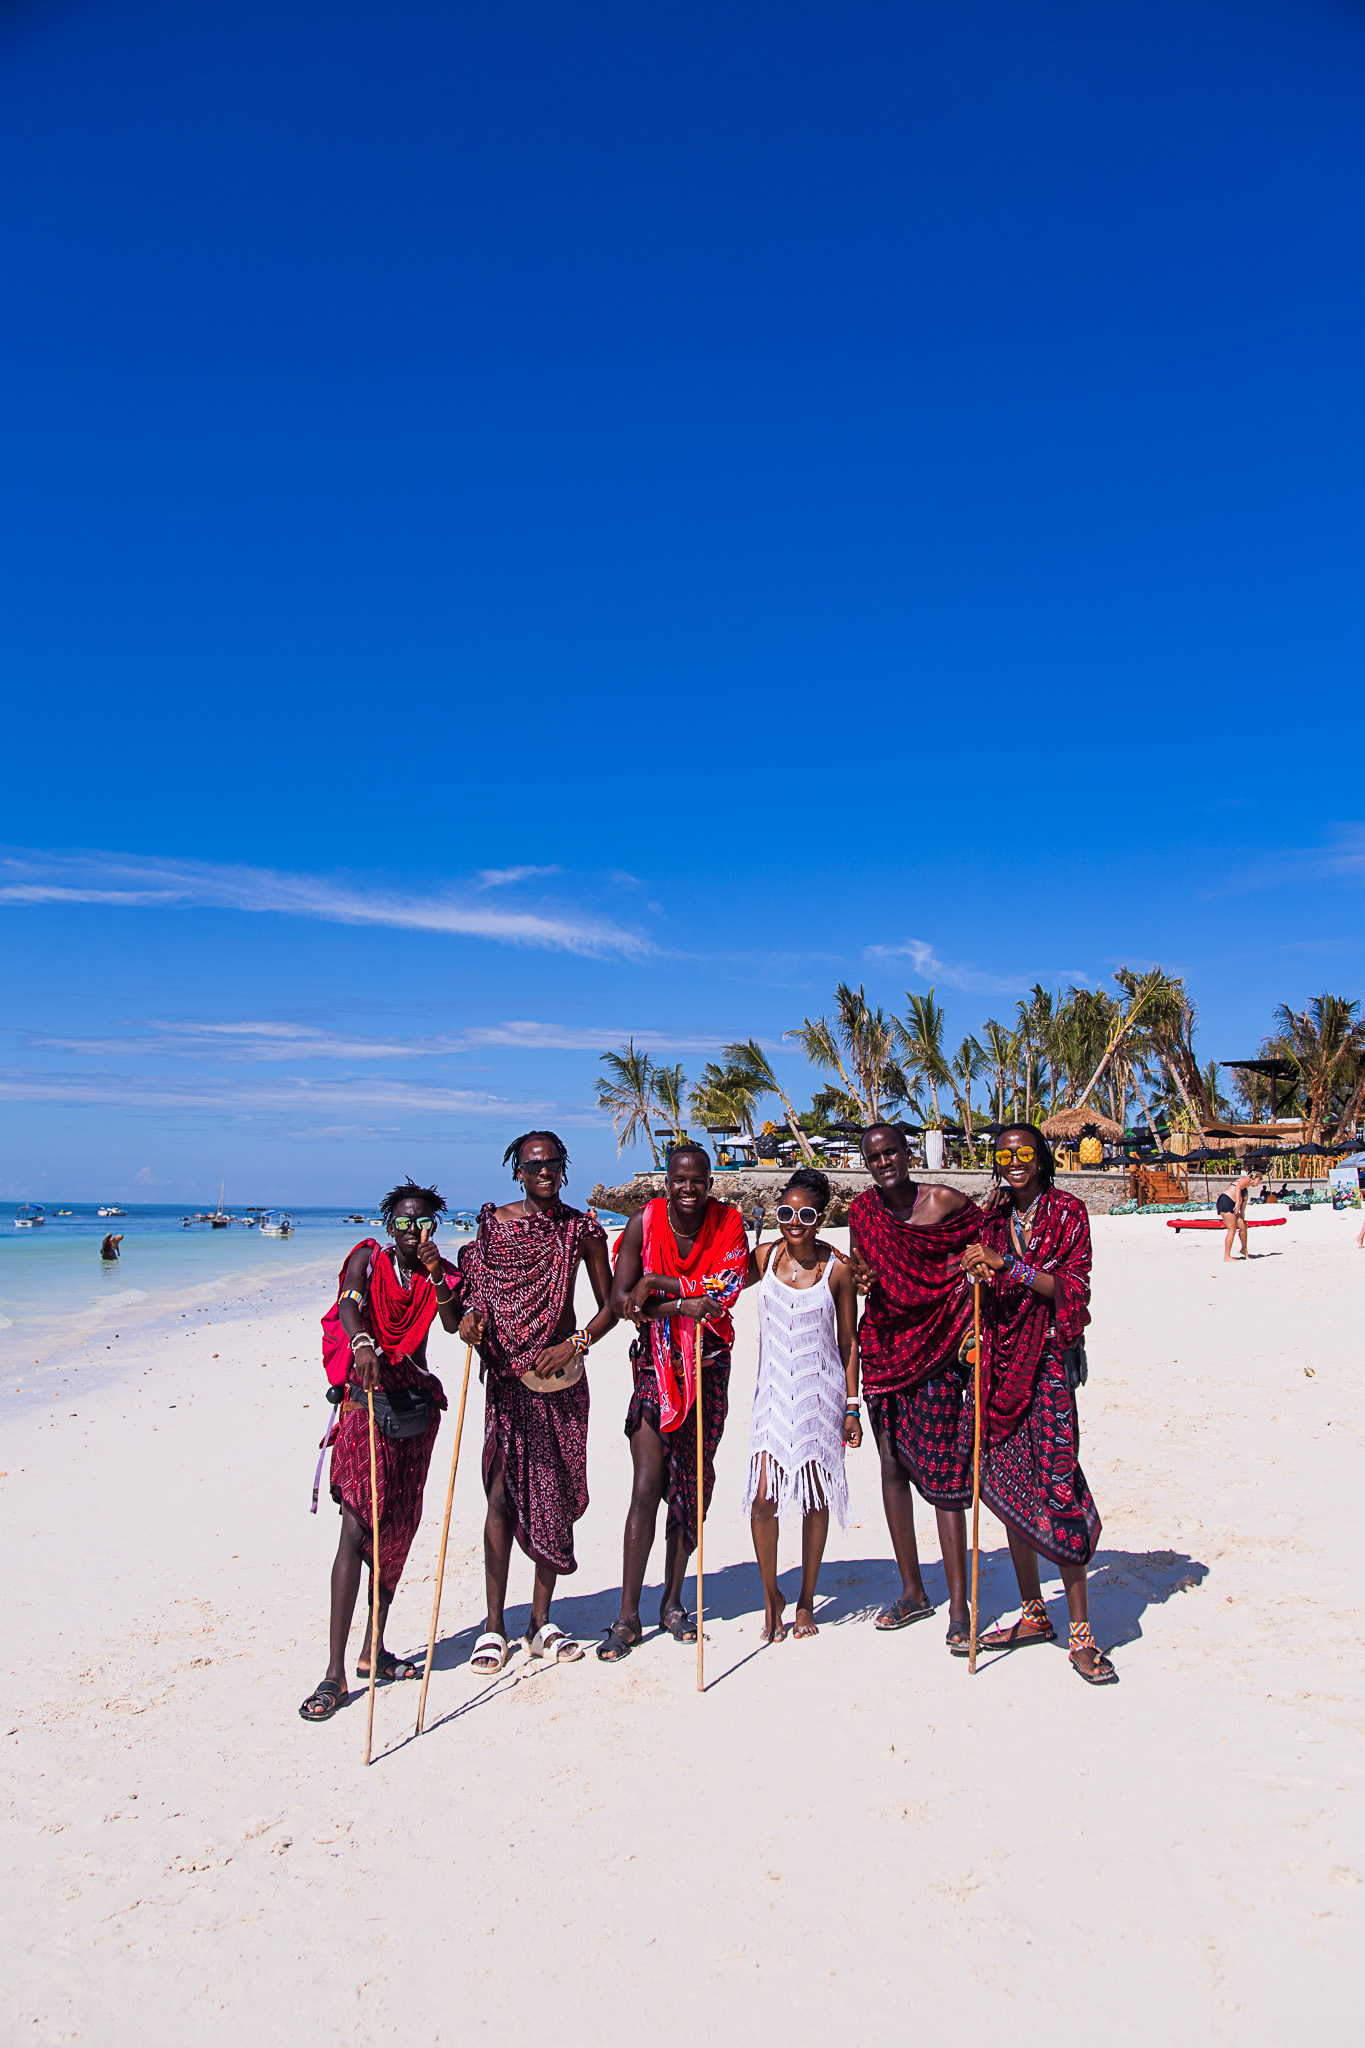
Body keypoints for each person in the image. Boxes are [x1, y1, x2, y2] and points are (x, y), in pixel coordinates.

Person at [299, 1182, 461, 1723]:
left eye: (424, 1224)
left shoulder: (442, 1270)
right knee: (355, 1527)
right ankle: (333, 1672)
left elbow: (452, 1322)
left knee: (396, 1528)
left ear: (436, 1226)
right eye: (404, 1224)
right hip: (365, 1403)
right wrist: (363, 1343)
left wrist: (438, 1274)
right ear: (390, 1226)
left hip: (414, 1409)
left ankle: (376, 1646)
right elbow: (349, 1301)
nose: (414, 1234)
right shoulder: (368, 1259)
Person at [456, 1132, 616, 1672]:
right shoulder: (493, 1225)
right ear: (518, 1171)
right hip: (506, 1381)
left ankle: (541, 1621)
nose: (544, 1170)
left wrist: (574, 1343)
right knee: (500, 1497)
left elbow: (611, 1305)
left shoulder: (582, 1229)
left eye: (553, 1163)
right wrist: (473, 1323)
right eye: (534, 1163)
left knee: (554, 1493)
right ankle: (494, 1626)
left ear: (563, 1169)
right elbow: (477, 1295)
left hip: (560, 1381)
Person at [960, 1125, 1114, 1685]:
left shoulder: (1068, 1212)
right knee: (1005, 1484)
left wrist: (1010, 1267)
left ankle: (1081, 1635)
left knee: (1056, 1482)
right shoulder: (991, 1218)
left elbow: (1073, 1289)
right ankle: (1031, 1613)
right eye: (1003, 1155)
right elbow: (976, 1286)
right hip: (998, 1365)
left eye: (1024, 1153)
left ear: (1042, 1157)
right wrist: (974, 1299)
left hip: (1048, 1365)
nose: (1013, 1162)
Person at [598, 1144, 748, 1660]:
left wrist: (658, 1284)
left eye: (698, 1180)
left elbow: (726, 1290)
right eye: (679, 1180)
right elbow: (621, 1302)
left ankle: (673, 1601)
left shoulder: (729, 1222)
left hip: (708, 1368)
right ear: (667, 1182)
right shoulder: (645, 1222)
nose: (688, 1189)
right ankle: (626, 1616)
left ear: (710, 1181)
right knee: (647, 1484)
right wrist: (682, 1302)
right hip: (655, 1367)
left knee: (691, 1482)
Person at [847, 1123, 982, 1651]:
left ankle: (959, 1604)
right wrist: (864, 1278)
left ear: (907, 1154)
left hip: (940, 1341)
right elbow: (866, 1269)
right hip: (885, 1344)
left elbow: (984, 1244)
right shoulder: (863, 1212)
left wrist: (964, 1295)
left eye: (891, 1152)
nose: (884, 1162)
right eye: (874, 1156)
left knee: (946, 1472)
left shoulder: (945, 1200)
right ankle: (912, 1591)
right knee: (891, 1464)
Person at [742, 1168, 862, 1642]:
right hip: (770, 1393)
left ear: (821, 1217)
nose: (794, 1221)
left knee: (815, 1498)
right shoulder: (764, 1257)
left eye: (805, 1214)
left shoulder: (839, 1269)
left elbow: (849, 1342)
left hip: (820, 1394)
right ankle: (772, 1594)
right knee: (763, 1497)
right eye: (786, 1212)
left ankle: (807, 1599)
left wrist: (853, 1407)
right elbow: (718, 1287)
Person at [1218, 1171, 1263, 1261]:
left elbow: (1243, 1209)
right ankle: (1227, 1256)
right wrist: (1238, 1202)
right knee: (1232, 1230)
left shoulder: (1245, 1191)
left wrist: (1243, 1219)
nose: (1258, 1185)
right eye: (1259, 1182)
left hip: (1233, 1205)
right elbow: (1237, 1187)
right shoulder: (1247, 1179)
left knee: (1243, 1226)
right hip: (1225, 1201)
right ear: (1257, 1178)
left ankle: (1244, 1249)